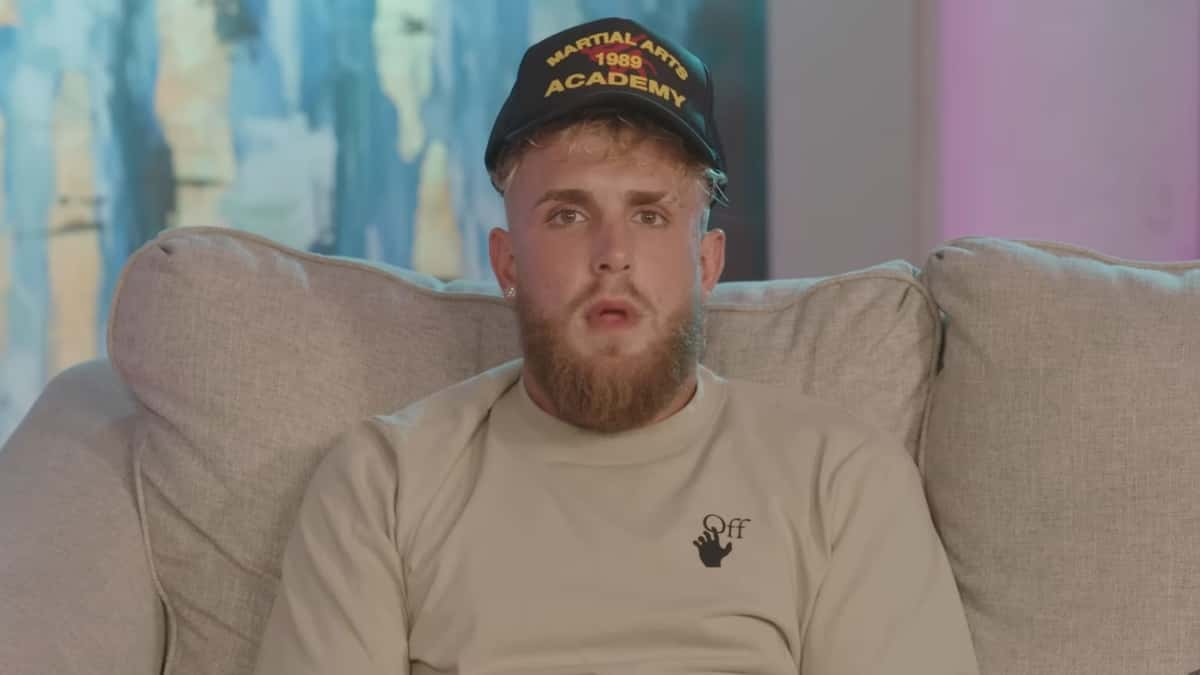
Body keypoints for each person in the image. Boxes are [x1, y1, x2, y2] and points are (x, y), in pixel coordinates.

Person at [253, 16, 979, 675]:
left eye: (651, 214)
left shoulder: (841, 480)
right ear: (507, 263)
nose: (613, 254)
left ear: (707, 262)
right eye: (568, 214)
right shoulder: (384, 483)